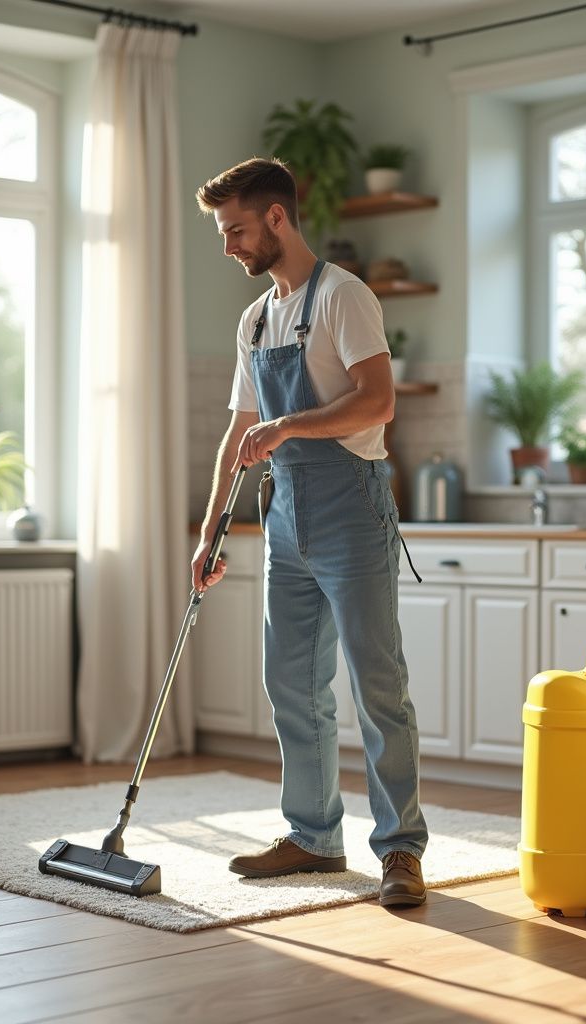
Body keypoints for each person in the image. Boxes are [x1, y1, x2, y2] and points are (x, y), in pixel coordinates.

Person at [193, 157, 428, 908]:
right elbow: (237, 432)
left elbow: (379, 401)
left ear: (276, 218)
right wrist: (210, 532)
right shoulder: (256, 318)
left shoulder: (344, 297)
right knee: (291, 682)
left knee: (376, 685)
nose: (228, 246)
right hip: (285, 515)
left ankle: (399, 850)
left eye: (235, 230)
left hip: (352, 510)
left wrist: (289, 423)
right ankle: (314, 836)